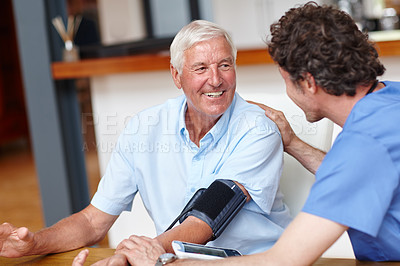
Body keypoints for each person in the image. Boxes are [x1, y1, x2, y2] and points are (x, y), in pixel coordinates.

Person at [107, 2, 400, 265]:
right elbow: (364, 176)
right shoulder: (391, 101)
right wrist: (294, 144)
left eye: (285, 80)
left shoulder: (361, 148)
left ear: (308, 83)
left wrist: (166, 262)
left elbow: (286, 259)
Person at [0, 20, 292, 263]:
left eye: (225, 65)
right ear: (176, 75)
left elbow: (206, 219)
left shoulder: (257, 128)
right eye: (200, 68)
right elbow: (93, 222)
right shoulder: (143, 128)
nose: (215, 80)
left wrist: (133, 255)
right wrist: (34, 243)